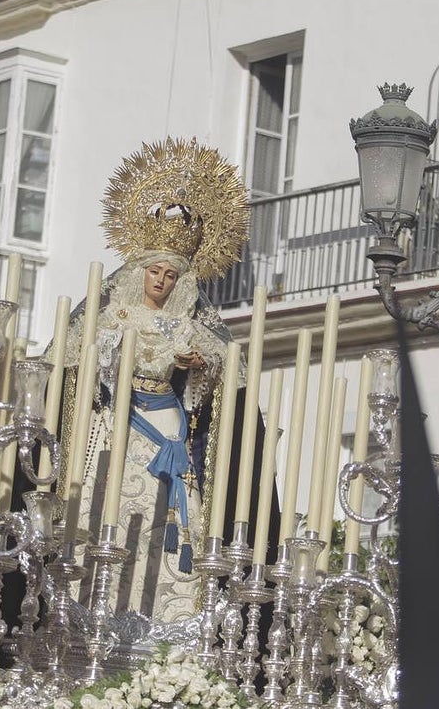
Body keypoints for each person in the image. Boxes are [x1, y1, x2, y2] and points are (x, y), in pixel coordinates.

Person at [41, 138, 276, 623]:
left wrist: (199, 366)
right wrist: (116, 354)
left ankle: (171, 610)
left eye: (171, 275)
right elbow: (86, 361)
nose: (162, 280)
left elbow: (219, 379)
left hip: (168, 420)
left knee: (170, 505)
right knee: (102, 501)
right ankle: (92, 603)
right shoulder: (114, 314)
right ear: (140, 271)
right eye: (155, 270)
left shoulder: (189, 323)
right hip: (120, 422)